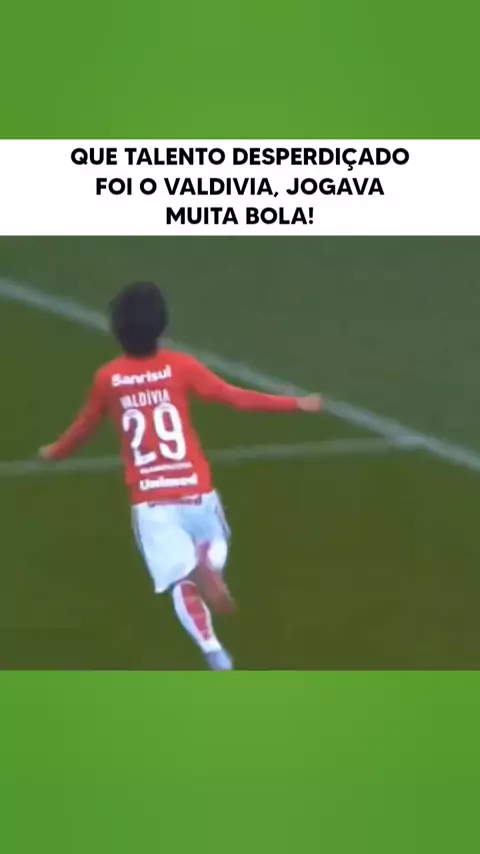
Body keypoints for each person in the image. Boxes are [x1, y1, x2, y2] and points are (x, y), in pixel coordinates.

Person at [39, 282, 322, 670]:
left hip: (152, 501)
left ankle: (212, 648)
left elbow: (83, 428)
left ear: (116, 329)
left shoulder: (109, 379)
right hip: (195, 489)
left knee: (180, 583)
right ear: (162, 326)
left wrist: (54, 453)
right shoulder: (180, 366)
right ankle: (209, 563)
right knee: (216, 542)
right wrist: (297, 404)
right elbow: (235, 397)